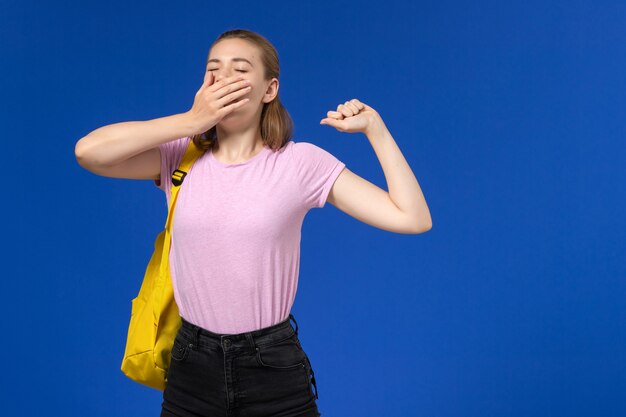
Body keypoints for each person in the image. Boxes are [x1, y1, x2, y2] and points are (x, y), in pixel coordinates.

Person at [75, 28, 432, 417]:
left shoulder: (300, 163)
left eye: (239, 69)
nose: (224, 78)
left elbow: (411, 217)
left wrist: (375, 130)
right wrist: (190, 121)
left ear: (269, 89)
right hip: (191, 364)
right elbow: (90, 153)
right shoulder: (180, 158)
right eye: (214, 70)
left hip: (272, 366)